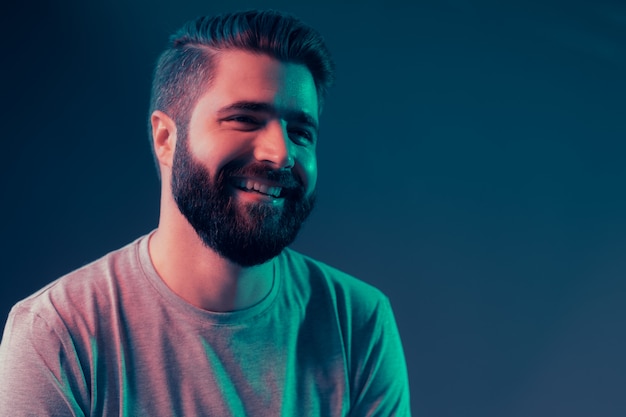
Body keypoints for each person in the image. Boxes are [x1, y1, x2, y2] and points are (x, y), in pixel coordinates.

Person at [0, 10, 411, 416]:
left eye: (301, 132)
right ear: (165, 138)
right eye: (244, 119)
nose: (281, 153)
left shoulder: (356, 323)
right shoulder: (58, 334)